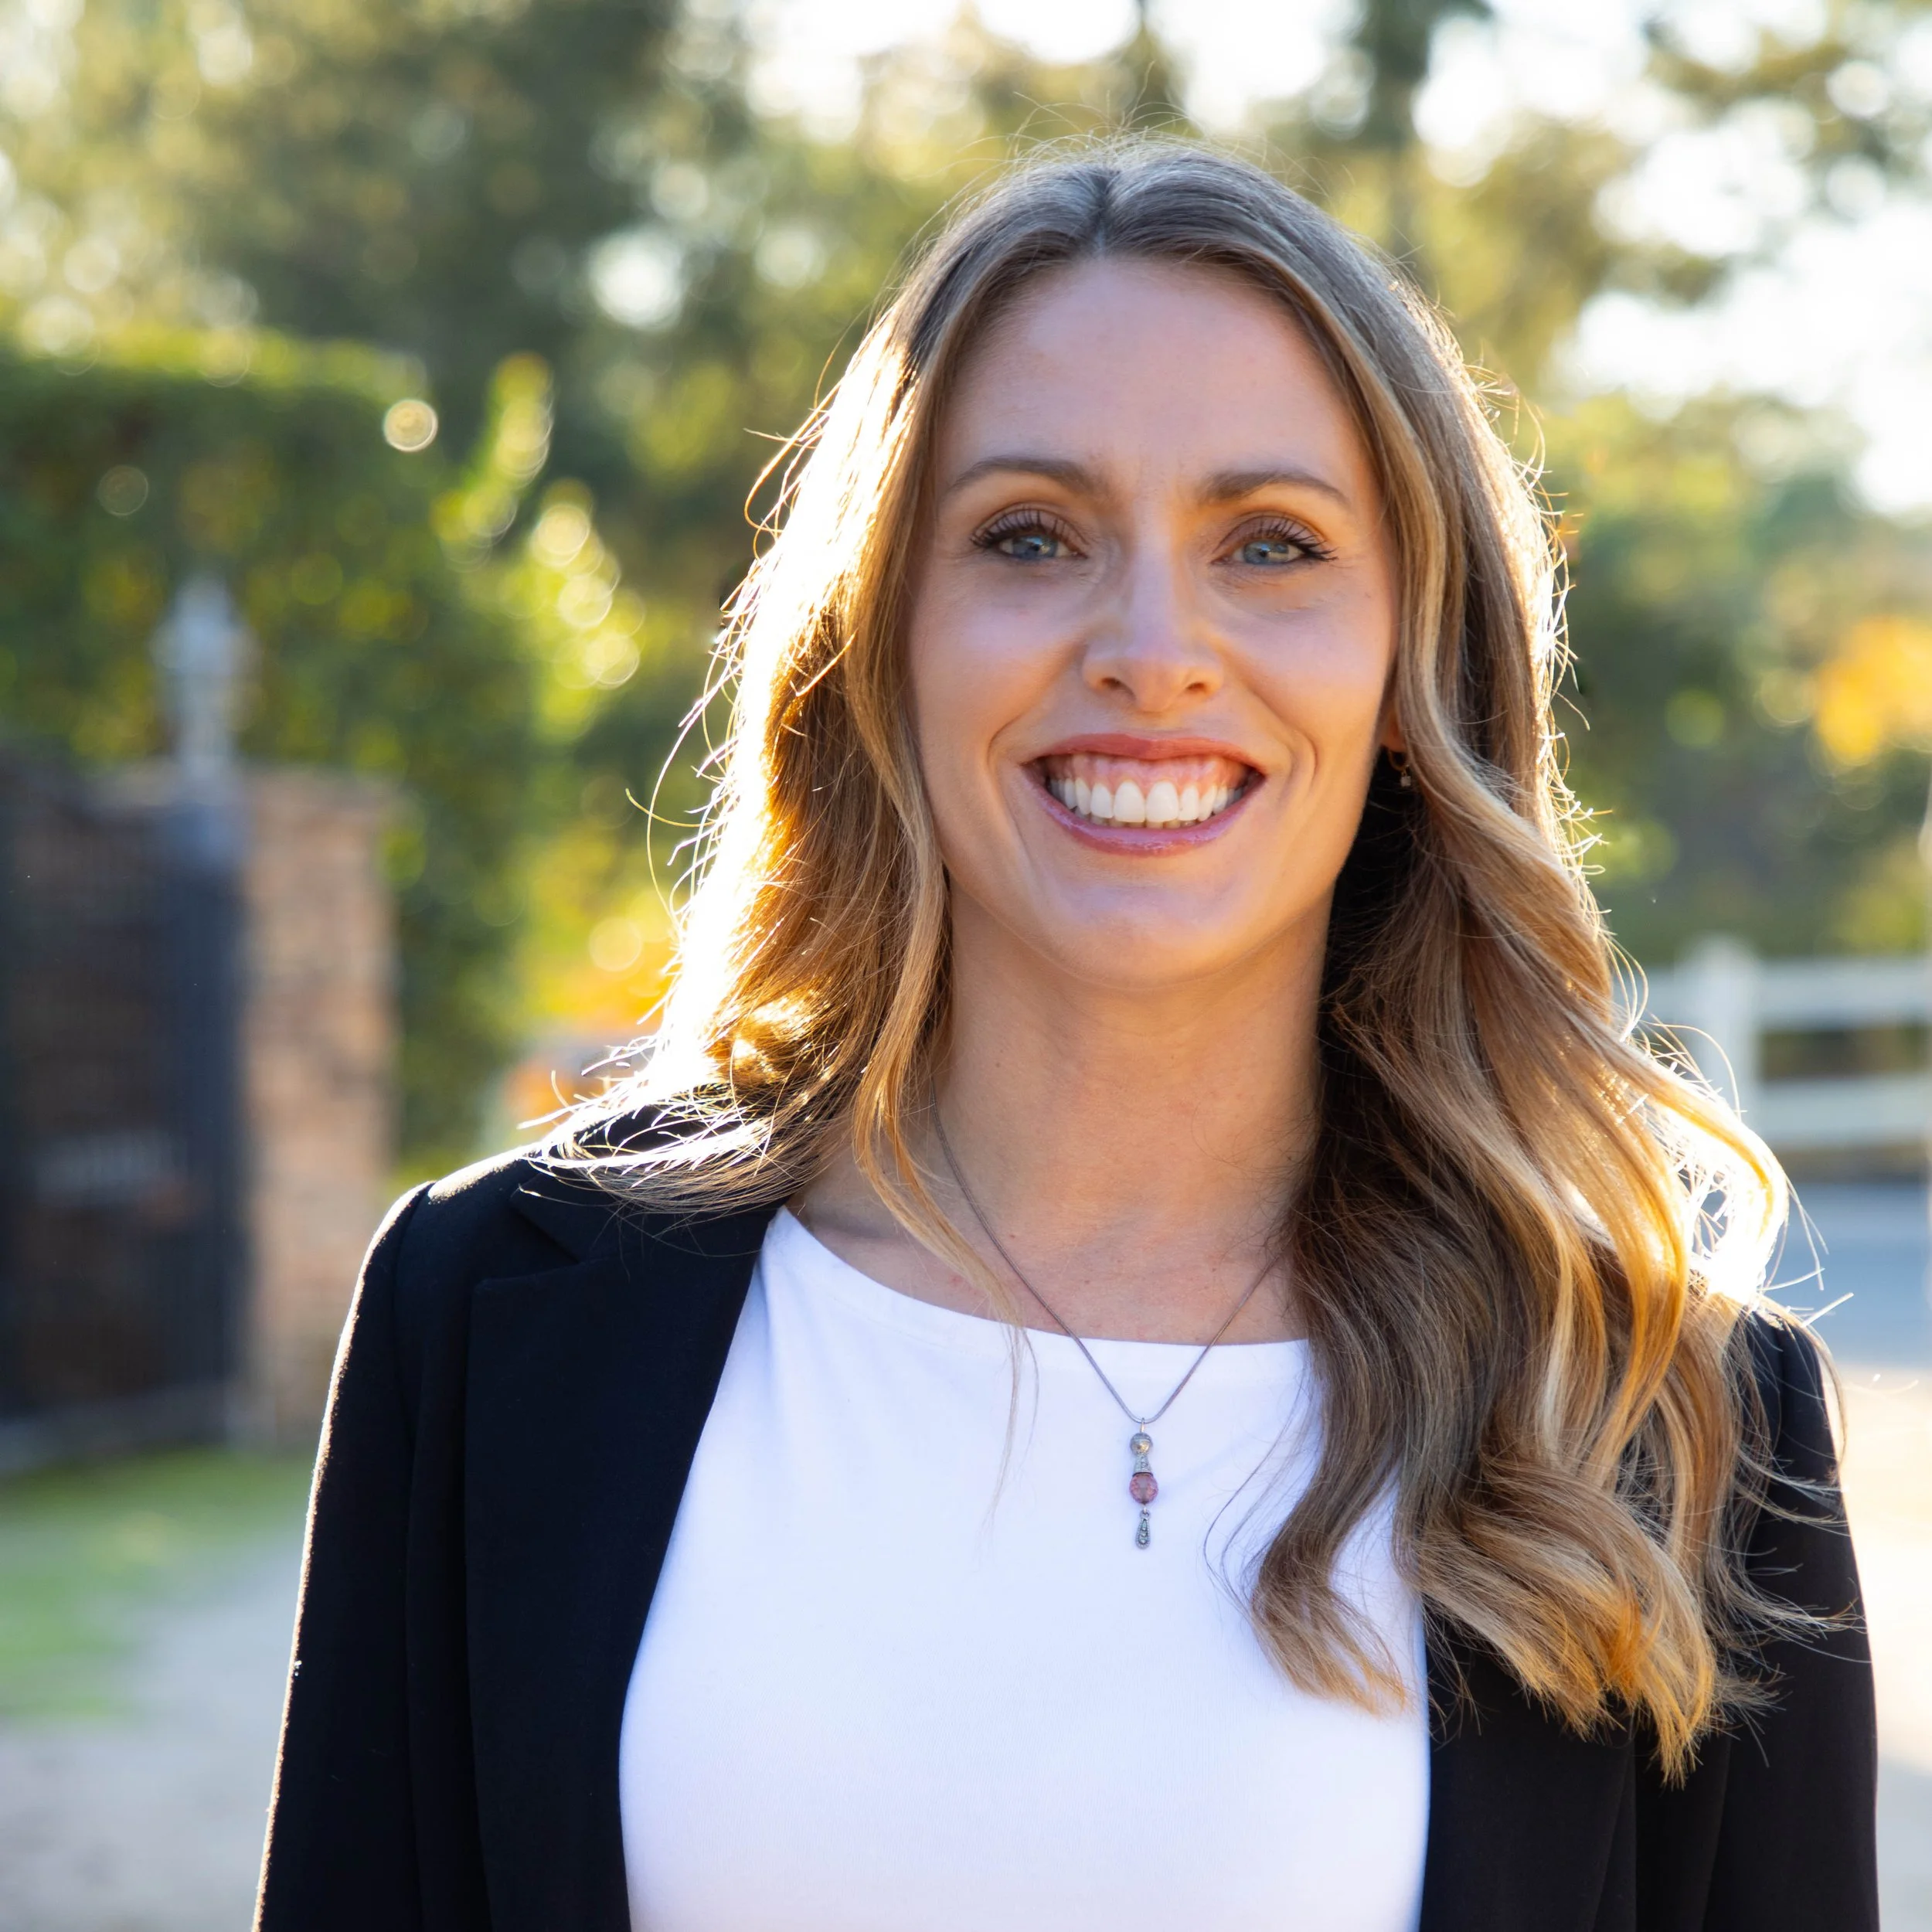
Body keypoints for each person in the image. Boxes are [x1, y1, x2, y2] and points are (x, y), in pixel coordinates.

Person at [255, 141, 1876, 1932]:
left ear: (1412, 668)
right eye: (1029, 536)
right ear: (881, 641)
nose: (1152, 648)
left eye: (1270, 545)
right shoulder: (490, 1318)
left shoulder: (1657, 1414)